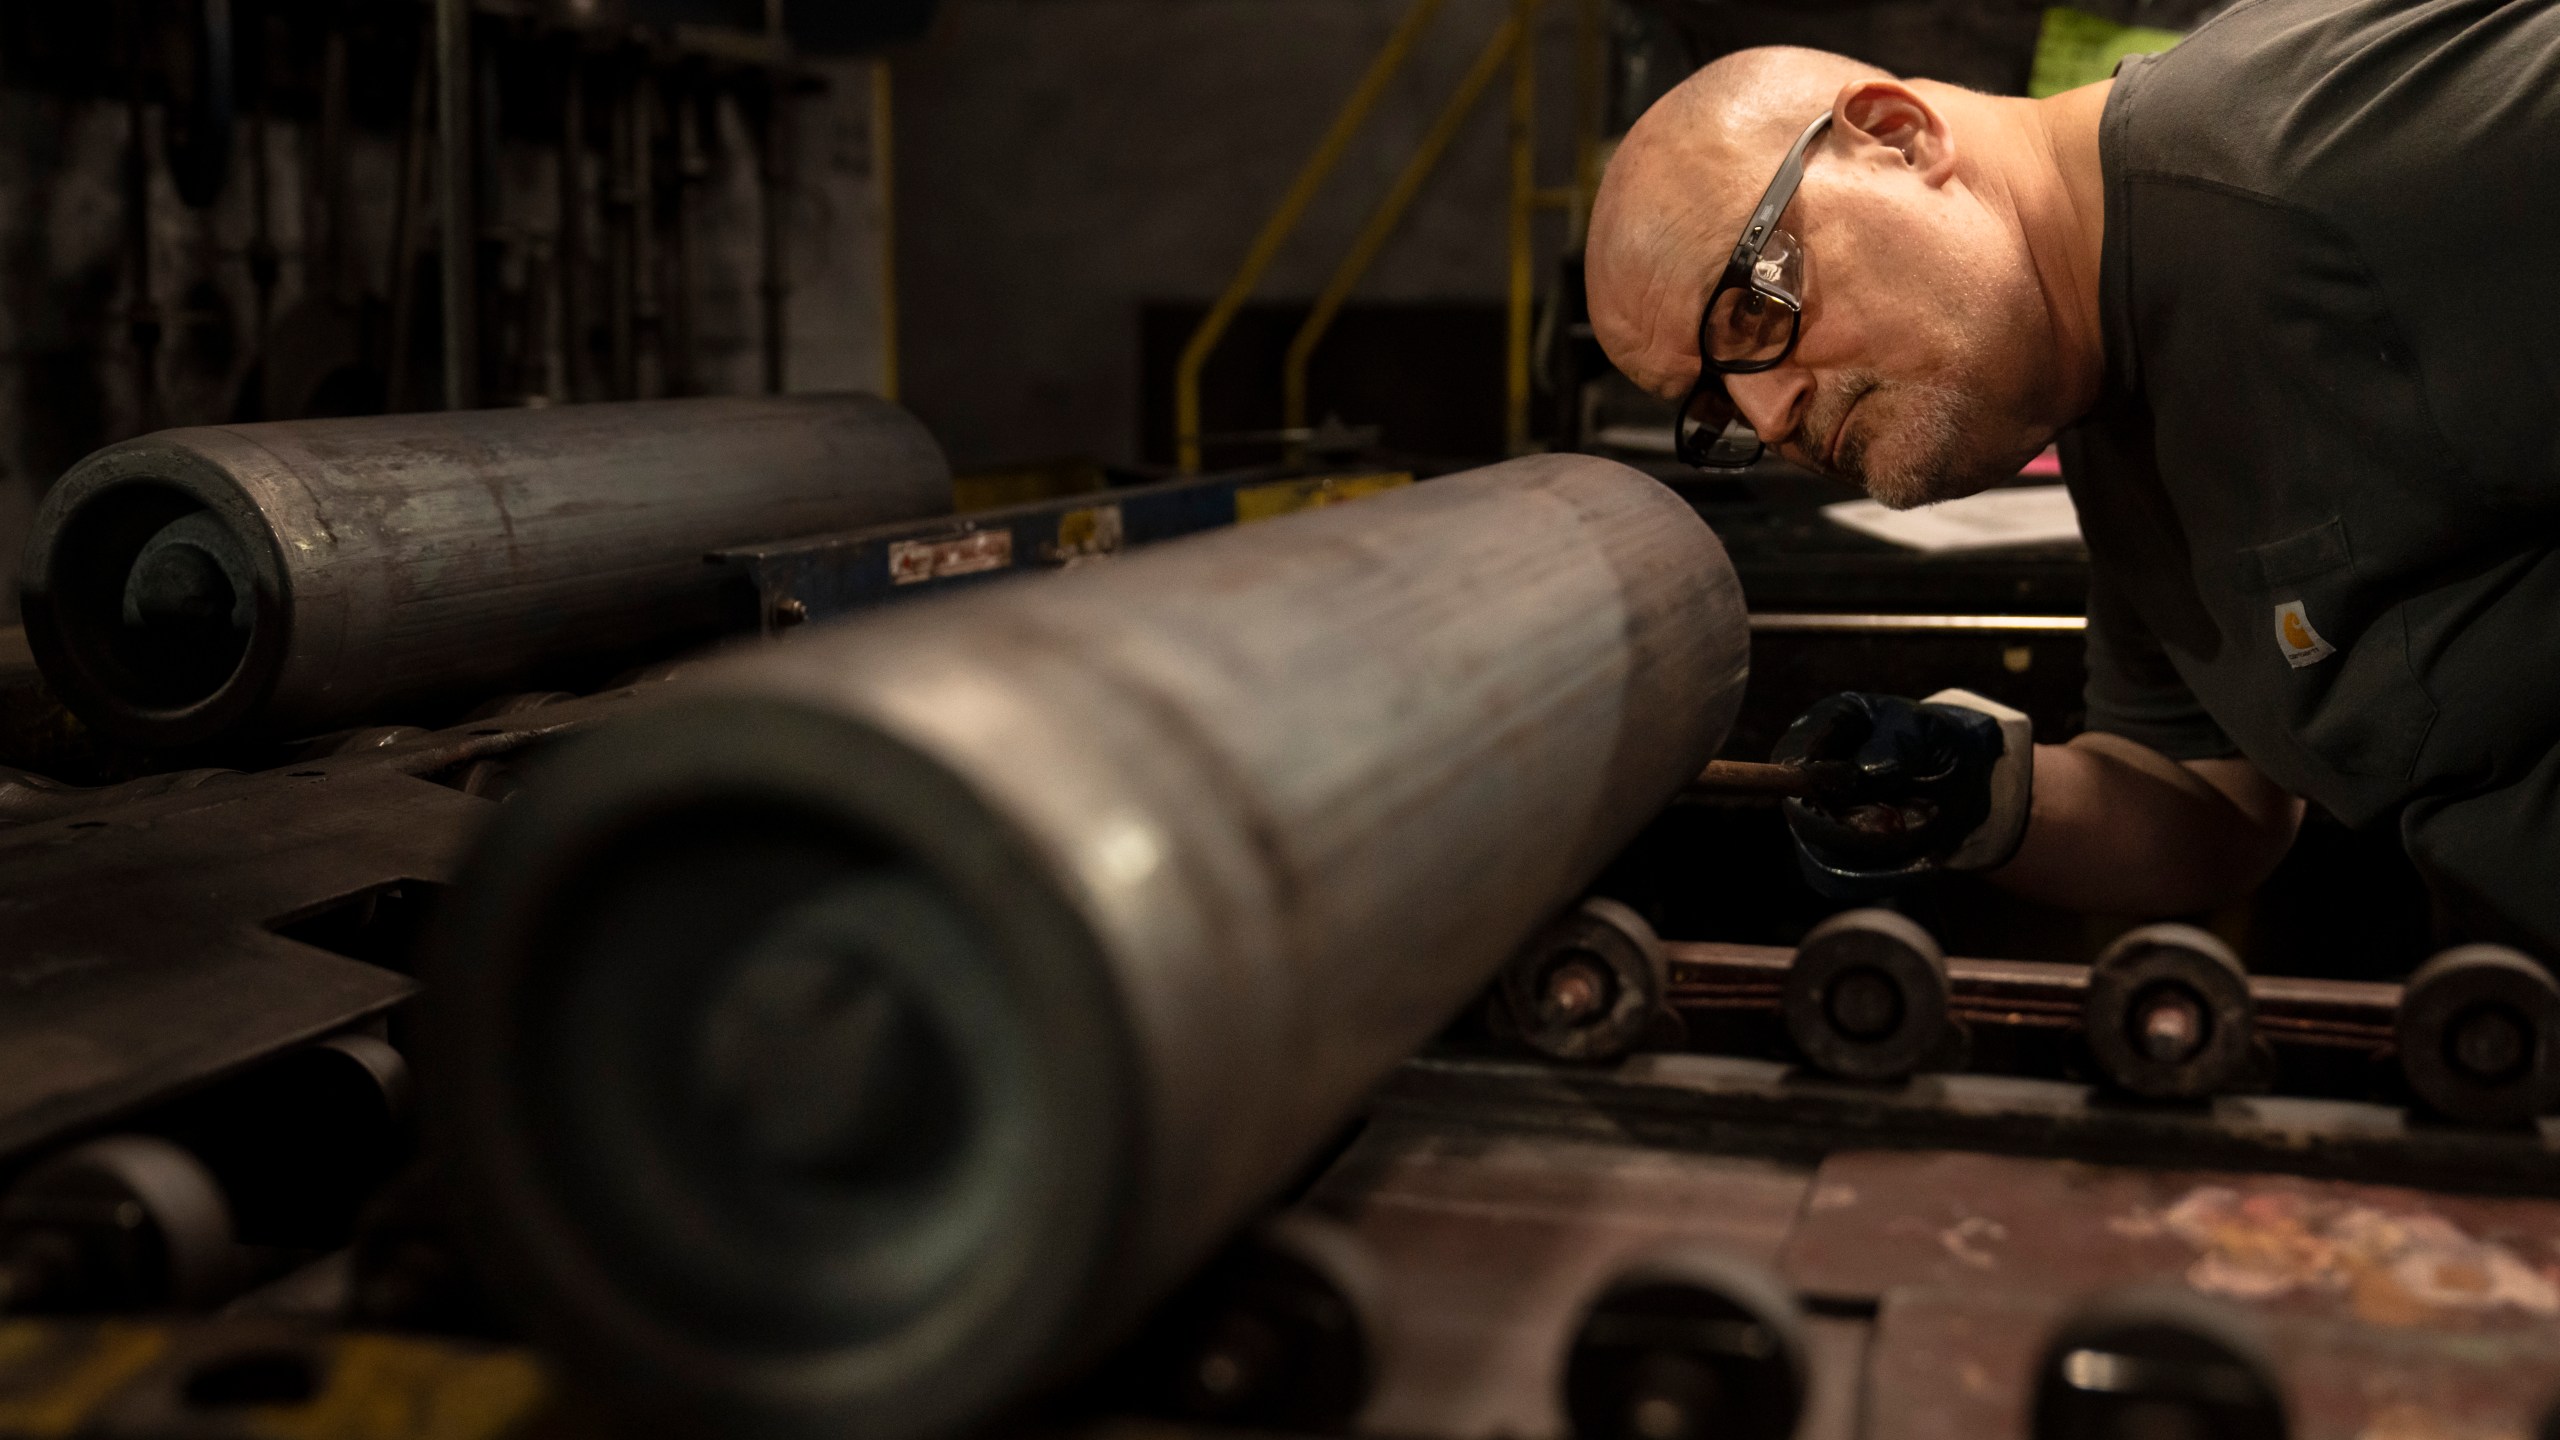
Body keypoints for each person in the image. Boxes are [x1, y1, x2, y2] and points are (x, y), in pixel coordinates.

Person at [1582, 0, 2560, 953]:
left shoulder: (2327, 138)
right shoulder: (2106, 393)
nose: (1767, 414)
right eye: (1715, 406)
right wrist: (1978, 791)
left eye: (1752, 312)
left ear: (1898, 136)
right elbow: (2211, 805)